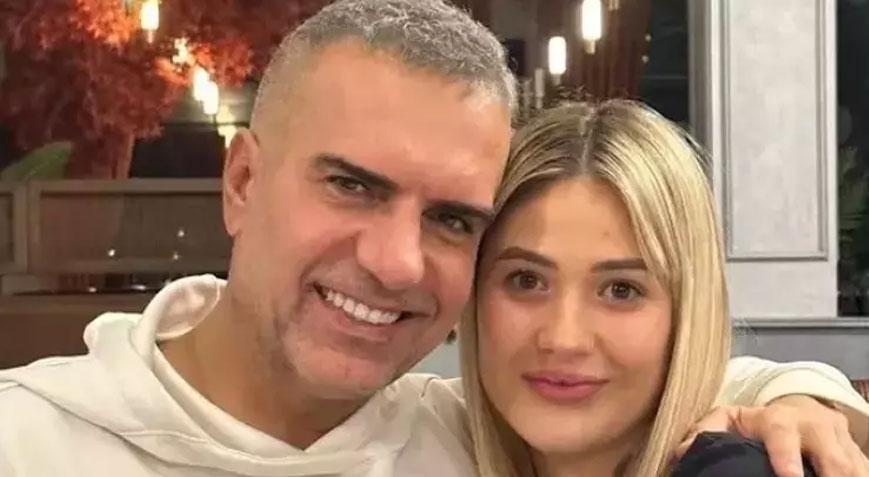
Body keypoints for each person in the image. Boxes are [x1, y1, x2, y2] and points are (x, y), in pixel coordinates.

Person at [0, 1, 867, 476]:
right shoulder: (31, 440)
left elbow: (684, 384)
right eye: (351, 185)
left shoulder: (459, 435)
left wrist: (803, 401)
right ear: (243, 183)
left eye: (452, 218)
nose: (395, 261)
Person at [460, 99, 869, 477]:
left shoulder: (737, 457)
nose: (564, 340)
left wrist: (803, 409)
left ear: (688, 312)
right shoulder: (434, 434)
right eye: (526, 280)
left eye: (621, 290)